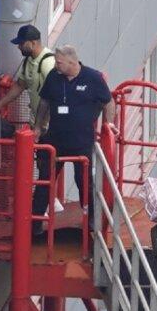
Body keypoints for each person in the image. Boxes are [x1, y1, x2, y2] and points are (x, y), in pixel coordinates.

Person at [33, 45, 115, 230]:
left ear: (72, 61)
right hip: (55, 139)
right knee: (45, 180)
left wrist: (108, 124)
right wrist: (38, 126)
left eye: (59, 61)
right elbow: (44, 102)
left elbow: (108, 101)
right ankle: (35, 221)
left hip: (82, 141)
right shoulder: (54, 76)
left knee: (84, 182)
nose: (56, 64)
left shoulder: (93, 78)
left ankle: (92, 221)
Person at [0, 24, 56, 133]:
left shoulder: (48, 64)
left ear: (33, 43)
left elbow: (53, 98)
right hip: (35, 122)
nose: (18, 47)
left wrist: (40, 126)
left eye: (21, 43)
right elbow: (20, 85)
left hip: (48, 126)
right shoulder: (28, 60)